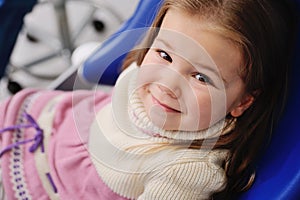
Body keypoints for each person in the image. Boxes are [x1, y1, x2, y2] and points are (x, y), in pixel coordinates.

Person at [0, 0, 296, 199]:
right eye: (164, 55)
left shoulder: (184, 172)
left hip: (52, 185)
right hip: (39, 123)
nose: (167, 85)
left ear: (242, 102)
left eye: (201, 77)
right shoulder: (148, 68)